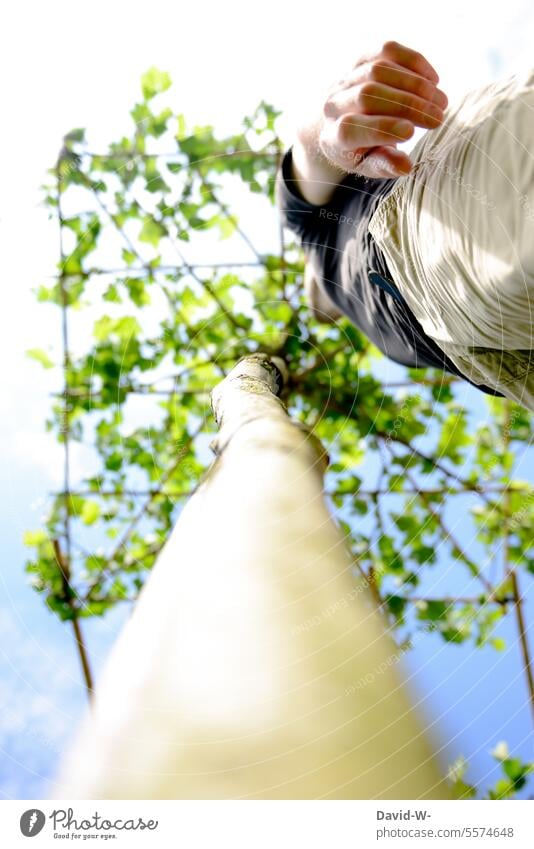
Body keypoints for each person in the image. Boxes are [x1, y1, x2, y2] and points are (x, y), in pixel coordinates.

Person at [276, 40, 534, 408]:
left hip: (423, 238)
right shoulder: (365, 321)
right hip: (494, 362)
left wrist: (331, 127)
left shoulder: (312, 229)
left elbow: (307, 145)